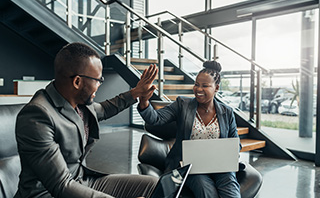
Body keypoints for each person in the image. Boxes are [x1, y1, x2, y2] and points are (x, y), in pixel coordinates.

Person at [14, 42, 158, 198]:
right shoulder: (37, 116)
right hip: (49, 193)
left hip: (81, 181)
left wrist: (136, 92)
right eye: (98, 80)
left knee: (153, 185)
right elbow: (62, 185)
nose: (99, 85)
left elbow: (104, 109)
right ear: (77, 82)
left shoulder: (79, 102)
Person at [138, 61, 241, 198]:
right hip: (190, 166)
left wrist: (228, 153)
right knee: (205, 190)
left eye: (205, 86)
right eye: (196, 84)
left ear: (216, 88)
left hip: (219, 166)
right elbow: (155, 119)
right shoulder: (183, 105)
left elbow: (235, 143)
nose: (198, 89)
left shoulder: (226, 112)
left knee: (231, 191)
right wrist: (144, 101)